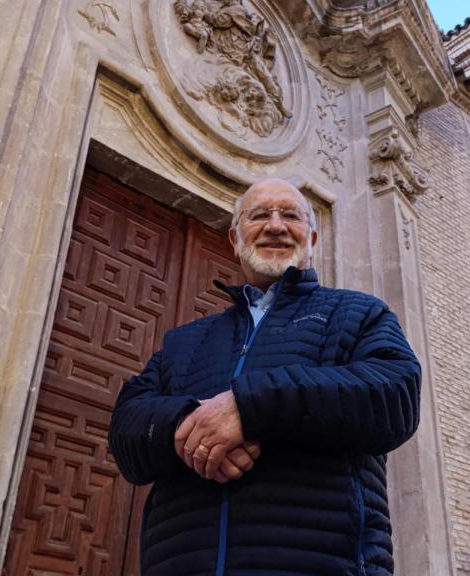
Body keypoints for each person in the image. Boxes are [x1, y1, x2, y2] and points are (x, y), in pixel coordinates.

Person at [109, 178, 421, 575]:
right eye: (258, 215)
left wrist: (249, 407)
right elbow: (126, 426)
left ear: (311, 236)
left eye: (290, 215)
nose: (275, 225)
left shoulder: (359, 313)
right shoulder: (185, 341)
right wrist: (193, 427)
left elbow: (396, 394)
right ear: (234, 239)